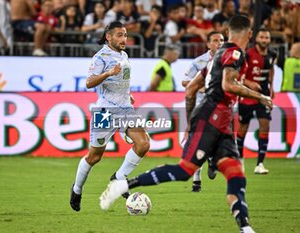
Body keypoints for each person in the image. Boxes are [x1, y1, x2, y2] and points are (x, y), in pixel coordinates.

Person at [99, 15, 273, 233]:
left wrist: (191, 122)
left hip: (219, 123)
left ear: (227, 33)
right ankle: (122, 185)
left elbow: (191, 89)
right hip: (212, 119)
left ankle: (246, 228)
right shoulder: (235, 54)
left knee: (236, 174)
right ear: (249, 34)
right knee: (184, 171)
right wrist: (261, 96)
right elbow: (228, 85)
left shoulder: (216, 57)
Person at [70, 21, 150, 212]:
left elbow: (121, 81)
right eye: (120, 35)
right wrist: (107, 73)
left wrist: (126, 95)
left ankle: (119, 177)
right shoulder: (101, 57)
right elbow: (89, 83)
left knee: (143, 143)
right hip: (104, 113)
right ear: (109, 37)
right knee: (94, 157)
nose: (124, 39)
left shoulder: (124, 55)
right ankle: (77, 189)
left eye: (125, 35)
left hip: (125, 110)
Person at [182, 31, 224, 192]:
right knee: (197, 141)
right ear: (208, 44)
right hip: (202, 108)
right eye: (215, 40)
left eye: (221, 40)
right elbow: (185, 81)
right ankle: (197, 179)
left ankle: (213, 161)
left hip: (222, 108)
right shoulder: (199, 62)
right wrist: (201, 87)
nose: (219, 43)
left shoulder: (228, 61)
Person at [237, 28, 277, 174]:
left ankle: (260, 164)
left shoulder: (272, 54)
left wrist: (272, 86)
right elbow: (239, 74)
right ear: (257, 39)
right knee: (243, 128)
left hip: (263, 94)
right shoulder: (248, 55)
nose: (265, 40)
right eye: (262, 37)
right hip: (247, 94)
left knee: (265, 125)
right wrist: (249, 82)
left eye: (267, 37)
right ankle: (240, 160)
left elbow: (271, 69)